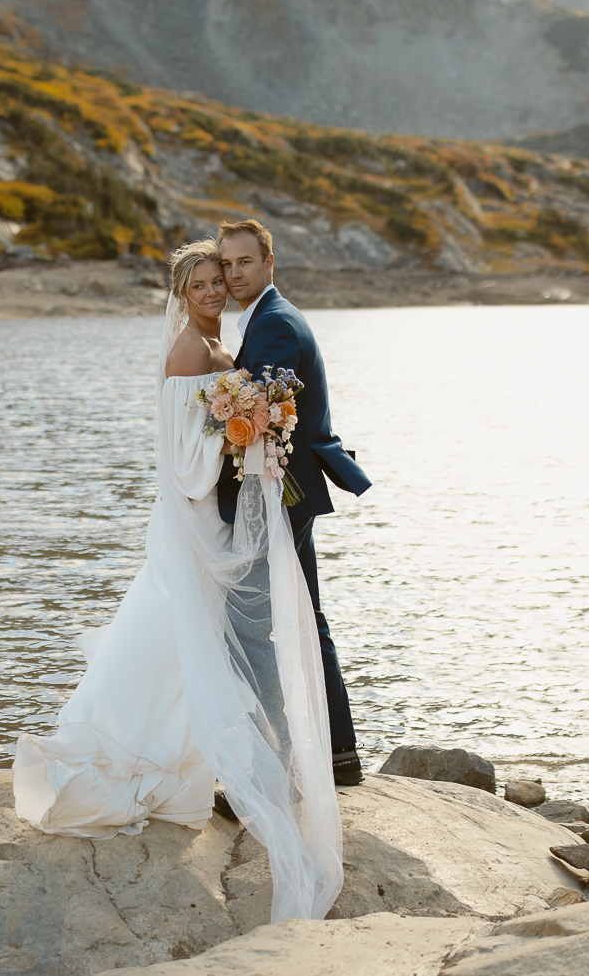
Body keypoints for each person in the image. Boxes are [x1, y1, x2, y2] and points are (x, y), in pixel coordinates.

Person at [12, 239, 343, 923]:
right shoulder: (191, 350)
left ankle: (197, 757)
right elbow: (183, 457)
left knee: (189, 636)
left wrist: (252, 423)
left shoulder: (218, 345)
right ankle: (127, 744)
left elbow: (216, 428)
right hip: (192, 518)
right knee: (174, 628)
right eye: (199, 282)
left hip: (207, 518)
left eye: (220, 278)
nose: (214, 290)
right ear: (180, 291)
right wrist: (242, 434)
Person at [217, 218, 371, 787]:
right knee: (305, 619)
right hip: (288, 489)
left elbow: (263, 421)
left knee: (261, 623)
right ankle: (337, 756)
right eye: (227, 265)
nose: (234, 275)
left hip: (281, 493)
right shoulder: (268, 318)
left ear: (268, 264)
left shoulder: (276, 325)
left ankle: (280, 760)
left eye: (244, 264)